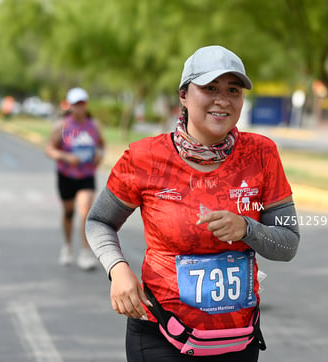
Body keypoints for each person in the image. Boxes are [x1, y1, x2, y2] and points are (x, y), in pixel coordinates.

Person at [86, 45, 300, 361]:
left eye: (233, 90)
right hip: (160, 333)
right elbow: (99, 221)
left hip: (237, 340)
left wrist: (246, 228)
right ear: (184, 95)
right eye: (210, 88)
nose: (223, 100)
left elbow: (288, 244)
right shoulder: (145, 158)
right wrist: (117, 269)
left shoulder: (261, 154)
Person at [46, 87, 105, 270]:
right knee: (69, 212)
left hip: (86, 175)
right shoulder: (62, 126)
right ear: (70, 106)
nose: (80, 107)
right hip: (66, 175)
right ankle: (68, 247)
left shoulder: (94, 126)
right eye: (76, 104)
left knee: (85, 211)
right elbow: (50, 149)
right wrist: (65, 157)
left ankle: (85, 253)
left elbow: (101, 146)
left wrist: (99, 156)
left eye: (83, 104)